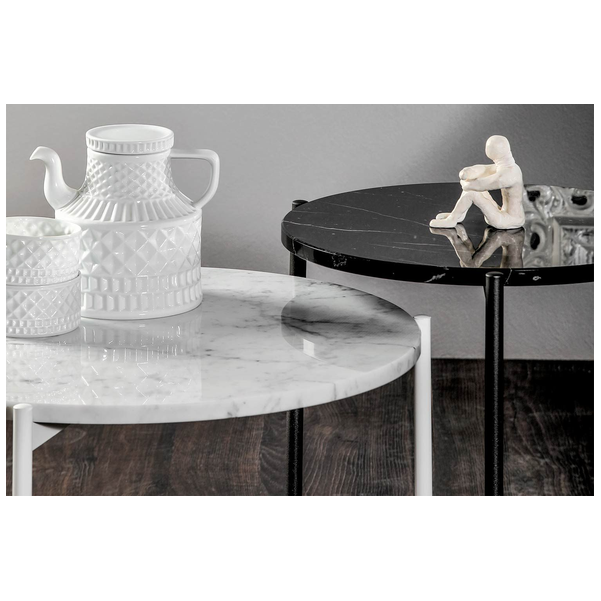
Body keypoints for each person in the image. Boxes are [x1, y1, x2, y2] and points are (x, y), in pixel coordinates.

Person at [430, 135, 526, 230]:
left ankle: (451, 220)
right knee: (472, 188)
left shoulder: (509, 174)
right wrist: (468, 172)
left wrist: (466, 183)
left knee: (472, 192)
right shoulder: (506, 167)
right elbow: (485, 169)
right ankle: (458, 215)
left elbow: (480, 185)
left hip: (509, 220)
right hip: (503, 214)